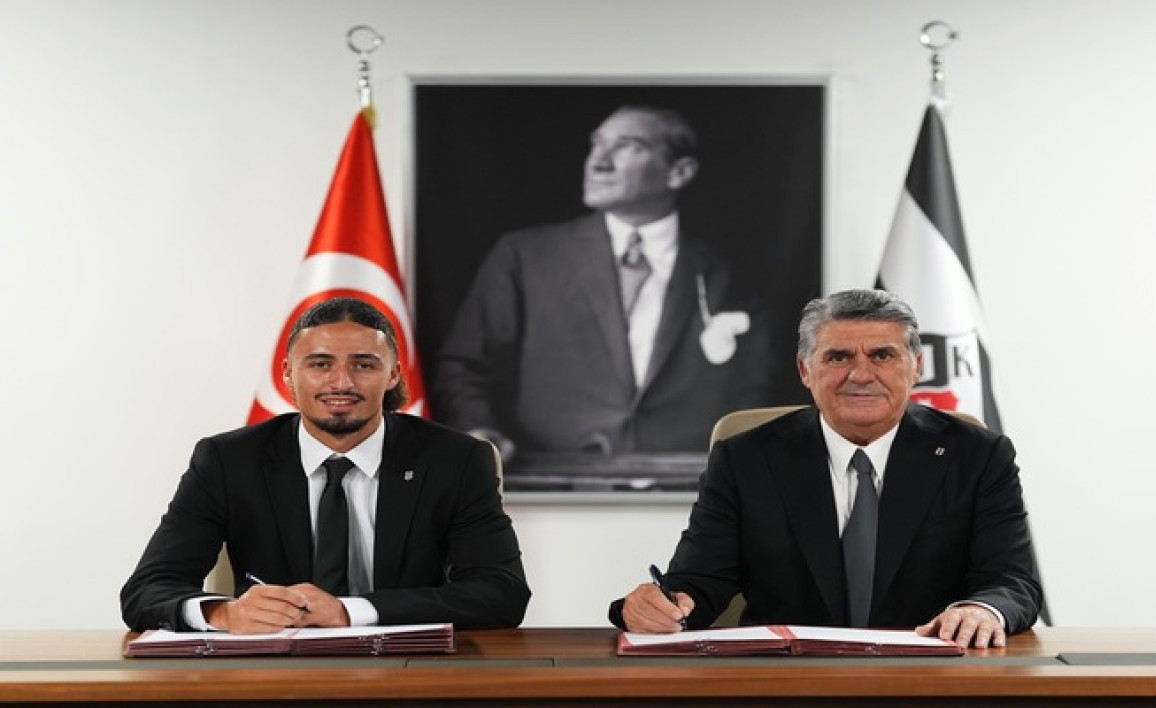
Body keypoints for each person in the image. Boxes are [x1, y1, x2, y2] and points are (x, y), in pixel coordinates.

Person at [610, 289, 1042, 648]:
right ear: (805, 370)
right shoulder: (746, 459)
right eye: (838, 357)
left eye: (882, 355)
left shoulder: (979, 456)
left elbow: (1012, 581)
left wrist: (982, 610)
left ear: (916, 368)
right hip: (787, 683)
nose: (861, 374)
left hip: (932, 680)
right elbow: (698, 581)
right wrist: (659, 606)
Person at [122, 297, 531, 633]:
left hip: (409, 673)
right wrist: (224, 614)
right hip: (271, 677)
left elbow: (501, 593)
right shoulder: (228, 461)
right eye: (320, 364)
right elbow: (147, 590)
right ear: (288, 374)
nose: (341, 383)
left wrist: (349, 612)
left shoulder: (456, 460)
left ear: (393, 375)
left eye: (364, 364)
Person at [433, 105, 771, 461]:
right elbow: (465, 366)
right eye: (596, 144)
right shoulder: (525, 256)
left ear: (679, 172)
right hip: (554, 479)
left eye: (628, 146)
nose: (598, 161)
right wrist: (479, 430)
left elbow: (755, 383)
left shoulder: (731, 267)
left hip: (693, 479)